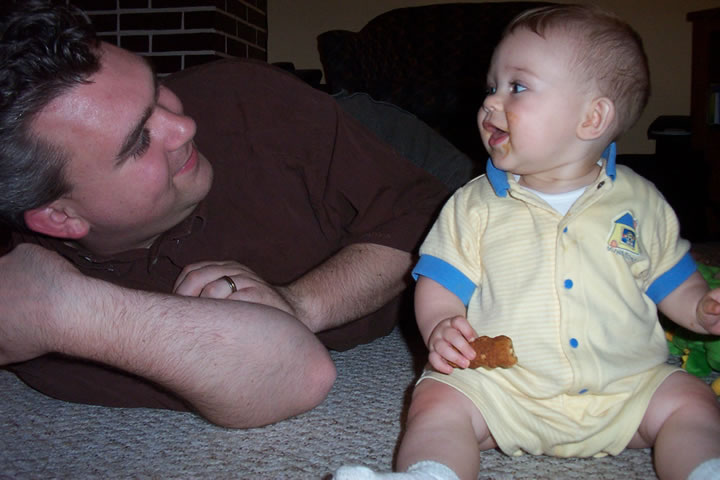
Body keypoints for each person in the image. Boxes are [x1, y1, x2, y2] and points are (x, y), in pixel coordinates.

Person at [0, 0, 458, 427]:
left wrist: (300, 304)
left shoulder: (242, 96)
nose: (185, 126)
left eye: (157, 88)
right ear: (60, 218)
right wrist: (71, 312)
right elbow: (289, 376)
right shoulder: (32, 301)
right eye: (138, 140)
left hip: (369, 139)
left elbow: (430, 217)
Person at [335, 5, 720, 480]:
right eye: (491, 87)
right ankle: (430, 473)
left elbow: (672, 279)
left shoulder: (642, 202)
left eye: (517, 87)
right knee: (436, 400)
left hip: (625, 388)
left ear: (592, 118)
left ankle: (705, 470)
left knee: (691, 401)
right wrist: (441, 325)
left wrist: (701, 307)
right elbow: (440, 282)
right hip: (500, 393)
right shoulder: (473, 204)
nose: (491, 103)